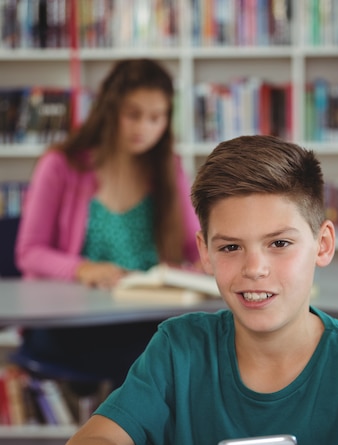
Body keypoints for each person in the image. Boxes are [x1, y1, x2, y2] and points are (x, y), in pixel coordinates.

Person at [58, 135, 338, 445]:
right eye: (230, 247)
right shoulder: (180, 350)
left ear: (323, 244)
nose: (255, 268)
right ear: (205, 253)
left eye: (279, 243)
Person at [14, 58, 200, 383]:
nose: (144, 127)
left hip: (148, 316)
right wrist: (82, 269)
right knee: (168, 364)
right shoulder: (60, 165)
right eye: (133, 114)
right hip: (74, 322)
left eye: (156, 118)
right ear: (108, 110)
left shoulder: (169, 168)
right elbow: (29, 251)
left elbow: (195, 244)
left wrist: (209, 262)